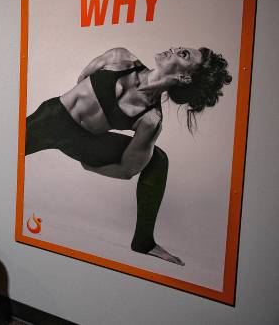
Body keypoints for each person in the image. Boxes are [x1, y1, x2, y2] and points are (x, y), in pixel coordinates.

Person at [25, 46, 232, 265]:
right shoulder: (120, 58)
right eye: (181, 48)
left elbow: (127, 170)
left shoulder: (151, 119)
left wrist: (92, 165)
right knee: (9, 148)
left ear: (185, 77)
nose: (175, 48)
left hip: (81, 141)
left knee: (158, 160)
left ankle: (144, 242)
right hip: (51, 118)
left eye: (183, 55)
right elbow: (82, 78)